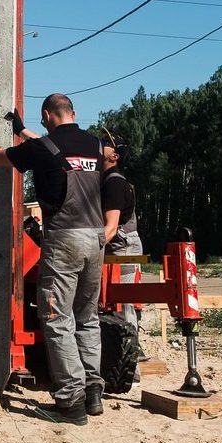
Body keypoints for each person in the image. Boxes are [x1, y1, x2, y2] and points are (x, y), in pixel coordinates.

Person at [0, 92, 105, 425]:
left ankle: (70, 402)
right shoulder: (92, 144)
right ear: (72, 113)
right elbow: (52, 147)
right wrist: (22, 130)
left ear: (47, 115)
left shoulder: (43, 147)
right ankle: (93, 390)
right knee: (87, 316)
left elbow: (1, 156)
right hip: (96, 239)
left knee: (57, 318)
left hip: (64, 239)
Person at [99, 125, 143, 378]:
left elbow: (111, 228)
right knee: (112, 304)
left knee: (124, 305)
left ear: (115, 156)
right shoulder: (104, 179)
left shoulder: (114, 182)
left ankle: (131, 366)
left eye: (106, 143)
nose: (100, 144)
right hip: (114, 248)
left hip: (123, 249)